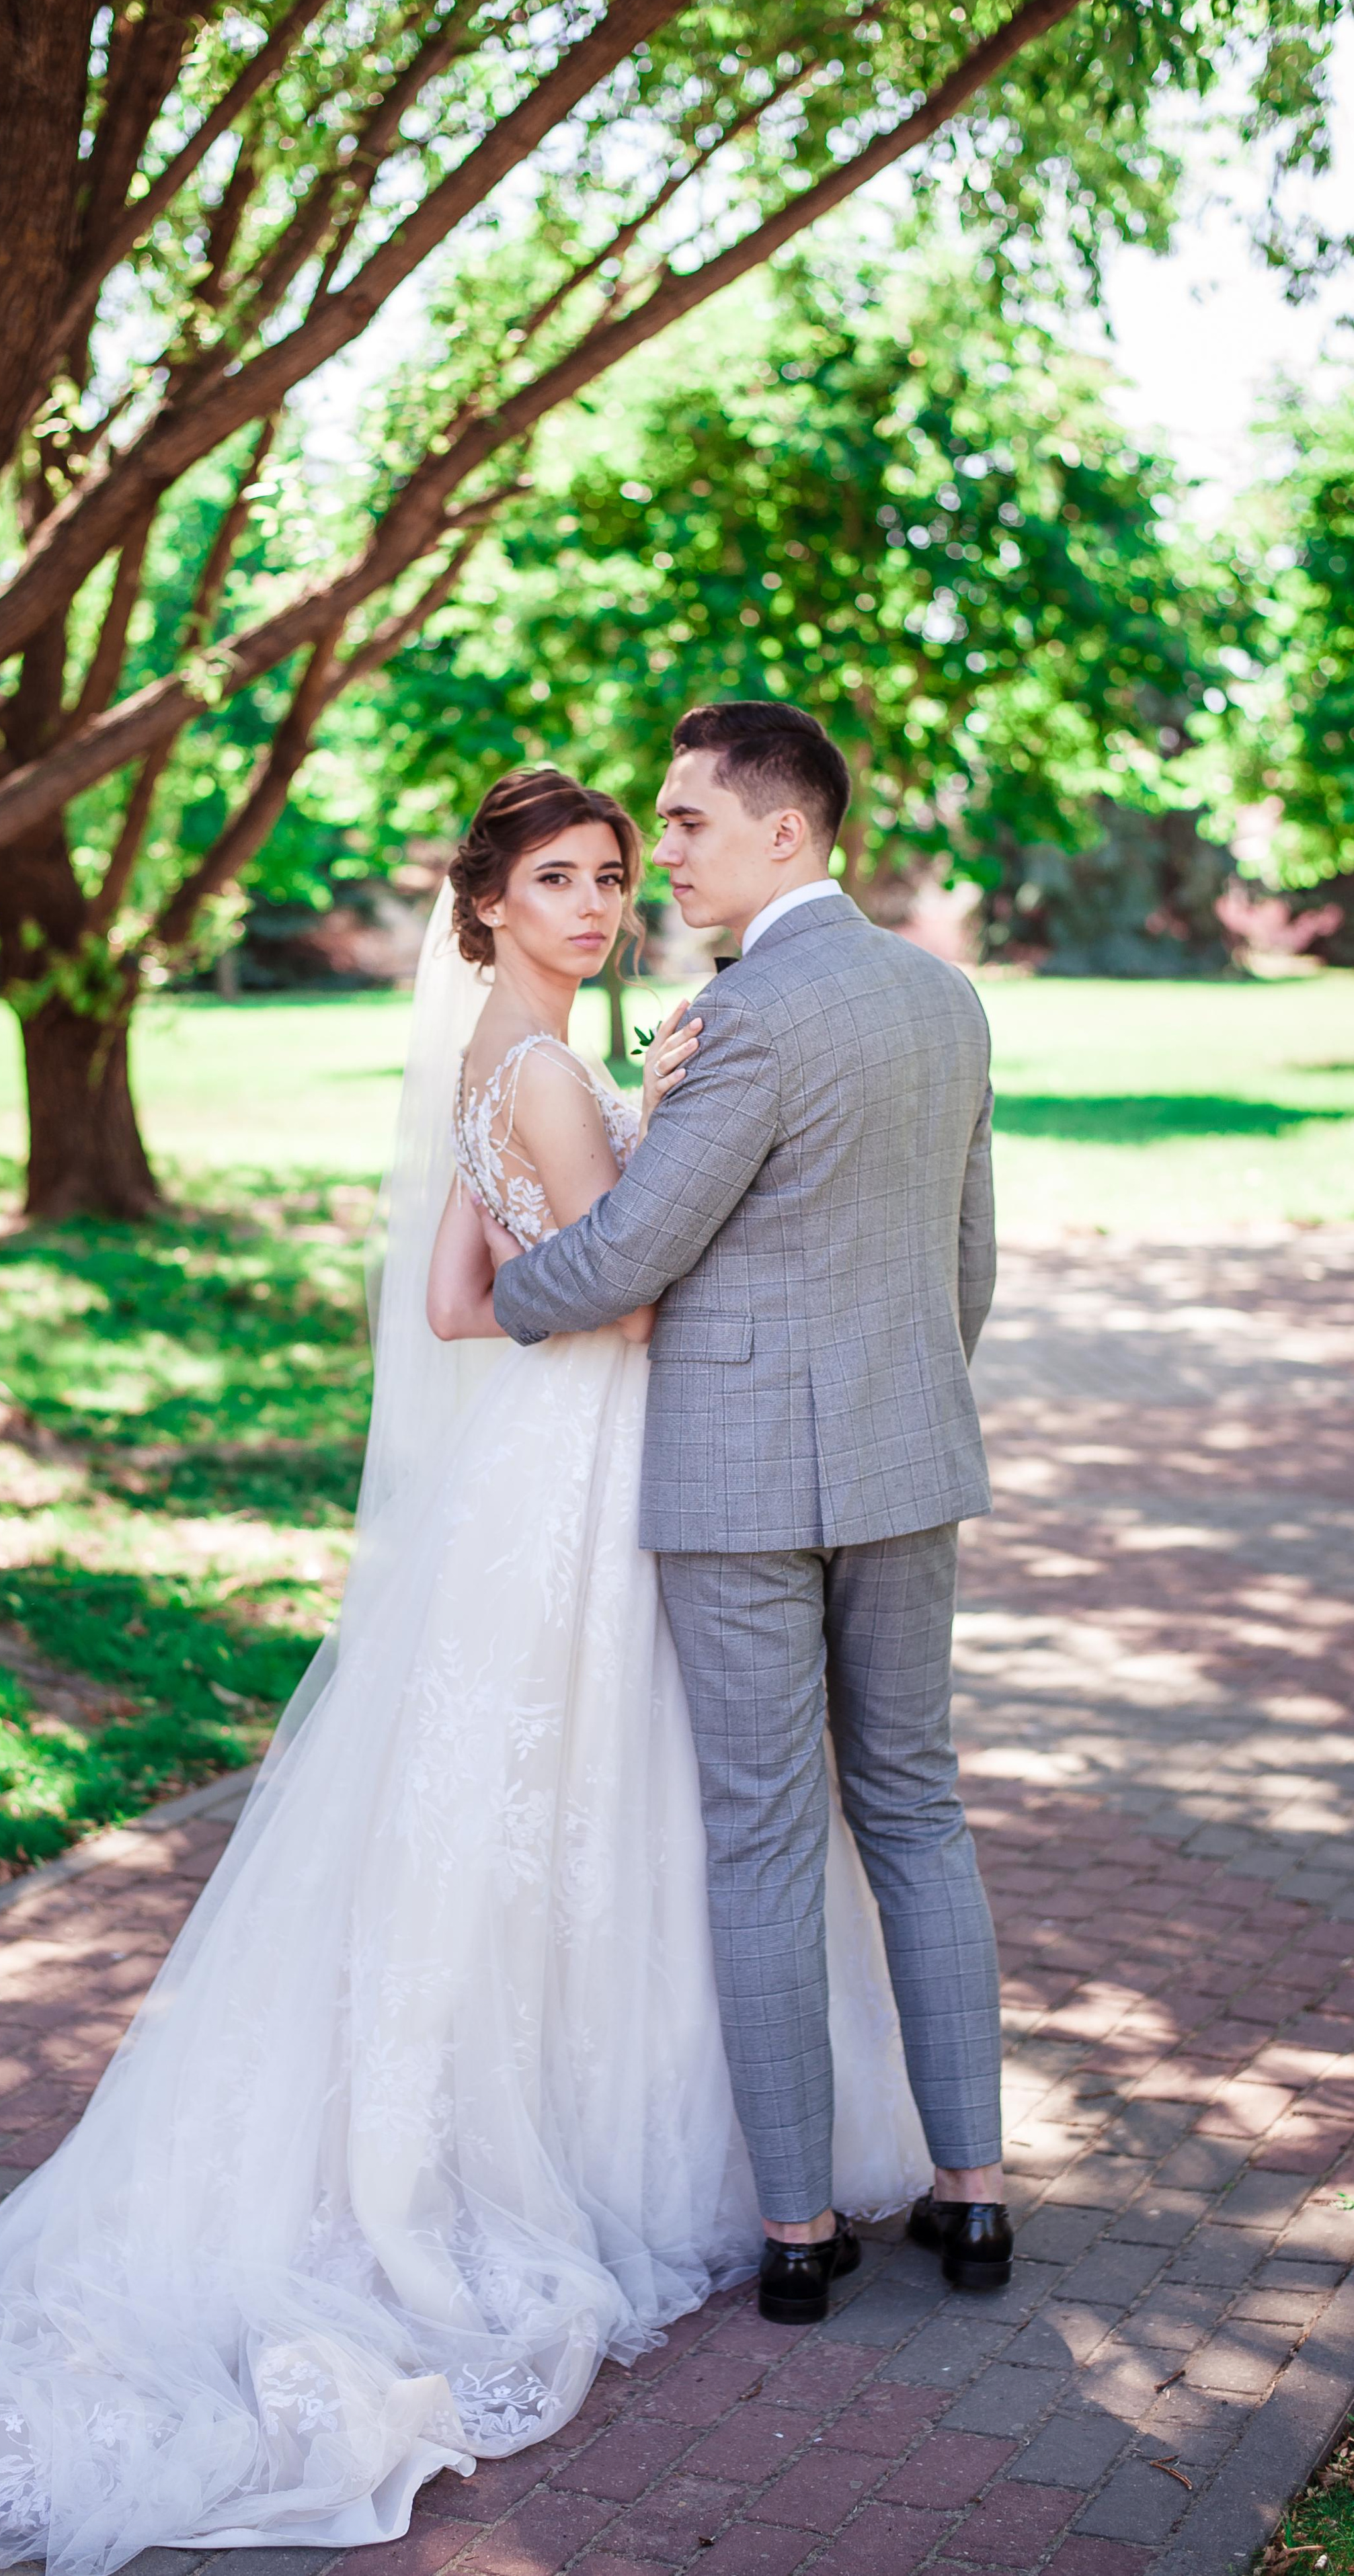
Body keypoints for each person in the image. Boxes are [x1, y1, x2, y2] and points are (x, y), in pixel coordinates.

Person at [0, 761, 929, 2576]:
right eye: (565, 882)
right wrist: (674, 1127)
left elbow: (454, 1304)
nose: (600, 906)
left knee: (551, 1813)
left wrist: (622, 1161)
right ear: (491, 905)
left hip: (527, 1485)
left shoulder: (480, 1069)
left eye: (613, 876)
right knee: (620, 1804)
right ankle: (592, 2161)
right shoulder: (551, 1068)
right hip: (585, 1488)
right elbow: (636, 1294)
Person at [490, 703, 1010, 2322]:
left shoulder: (749, 1015)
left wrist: (496, 1302)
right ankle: (974, 2198)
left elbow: (633, 1247)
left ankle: (797, 2232)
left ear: (783, 830)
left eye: (688, 823)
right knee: (916, 1814)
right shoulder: (943, 995)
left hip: (736, 1480)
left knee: (765, 1834)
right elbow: (966, 1262)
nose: (665, 858)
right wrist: (894, 1398)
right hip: (907, 1459)